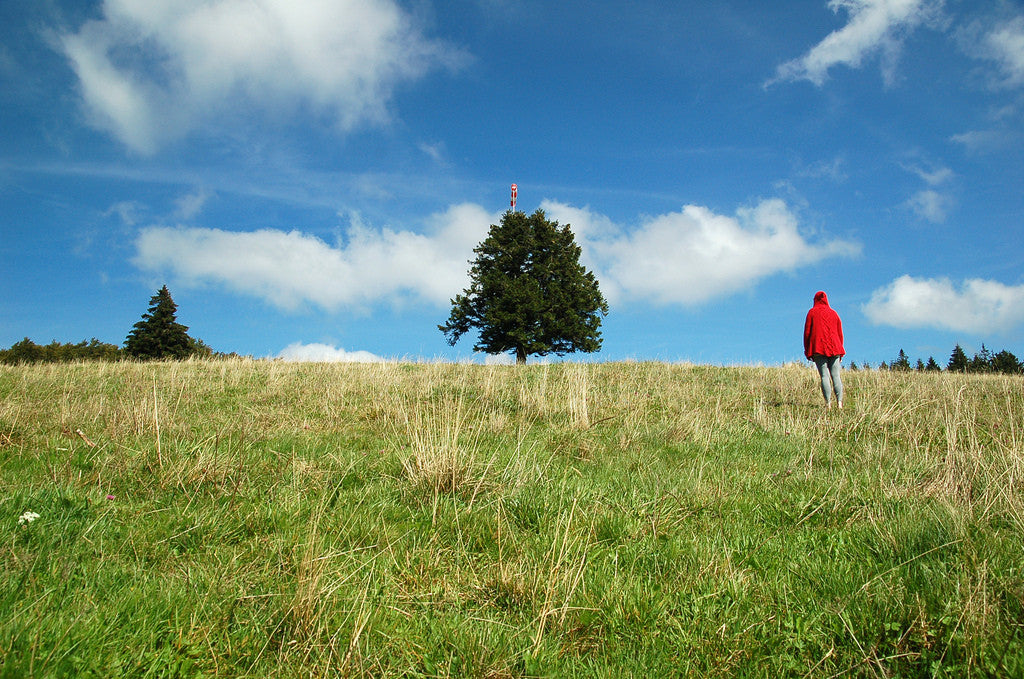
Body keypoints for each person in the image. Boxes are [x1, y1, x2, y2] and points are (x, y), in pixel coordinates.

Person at [803, 290, 845, 409]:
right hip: (835, 348)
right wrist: (841, 350)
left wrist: (807, 350)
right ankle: (840, 403)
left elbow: (807, 333)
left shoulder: (812, 313)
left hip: (818, 348)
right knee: (836, 376)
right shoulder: (834, 313)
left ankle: (828, 404)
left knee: (824, 376)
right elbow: (840, 333)